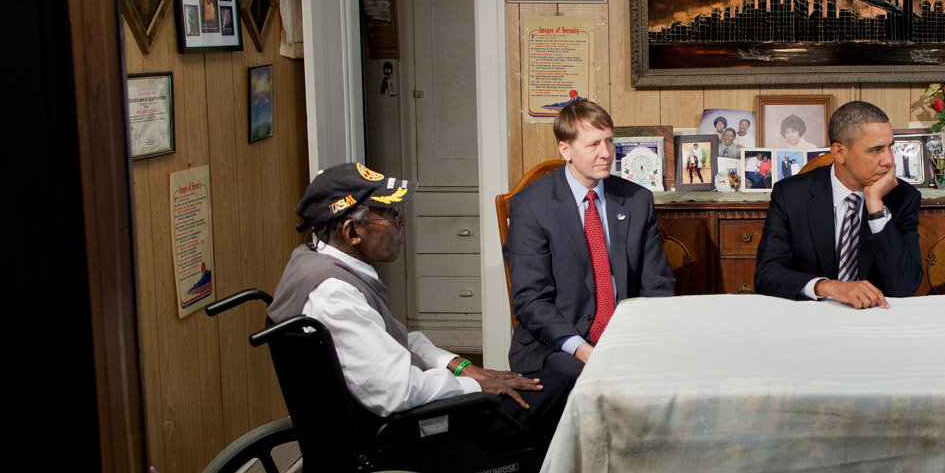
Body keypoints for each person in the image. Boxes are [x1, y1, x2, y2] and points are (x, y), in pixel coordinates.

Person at [268, 161, 570, 443]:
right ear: (352, 232)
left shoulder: (313, 261)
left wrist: (459, 365)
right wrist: (476, 386)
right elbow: (397, 391)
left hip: (411, 408)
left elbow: (390, 339)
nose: (401, 222)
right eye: (389, 215)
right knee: (562, 389)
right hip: (412, 432)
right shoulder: (334, 293)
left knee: (546, 381)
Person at [506, 98, 676, 376]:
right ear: (566, 149)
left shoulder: (635, 199)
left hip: (625, 335)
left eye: (609, 141)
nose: (606, 153)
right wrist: (584, 350)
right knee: (586, 375)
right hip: (559, 344)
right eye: (593, 145)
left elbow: (657, 282)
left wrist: (639, 338)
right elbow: (531, 300)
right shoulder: (532, 205)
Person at [754, 99, 921, 308]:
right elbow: (766, 275)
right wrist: (830, 287)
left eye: (890, 147)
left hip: (875, 317)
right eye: (876, 150)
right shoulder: (791, 194)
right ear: (839, 152)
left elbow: (905, 287)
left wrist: (876, 208)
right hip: (811, 315)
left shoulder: (903, 197)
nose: (889, 160)